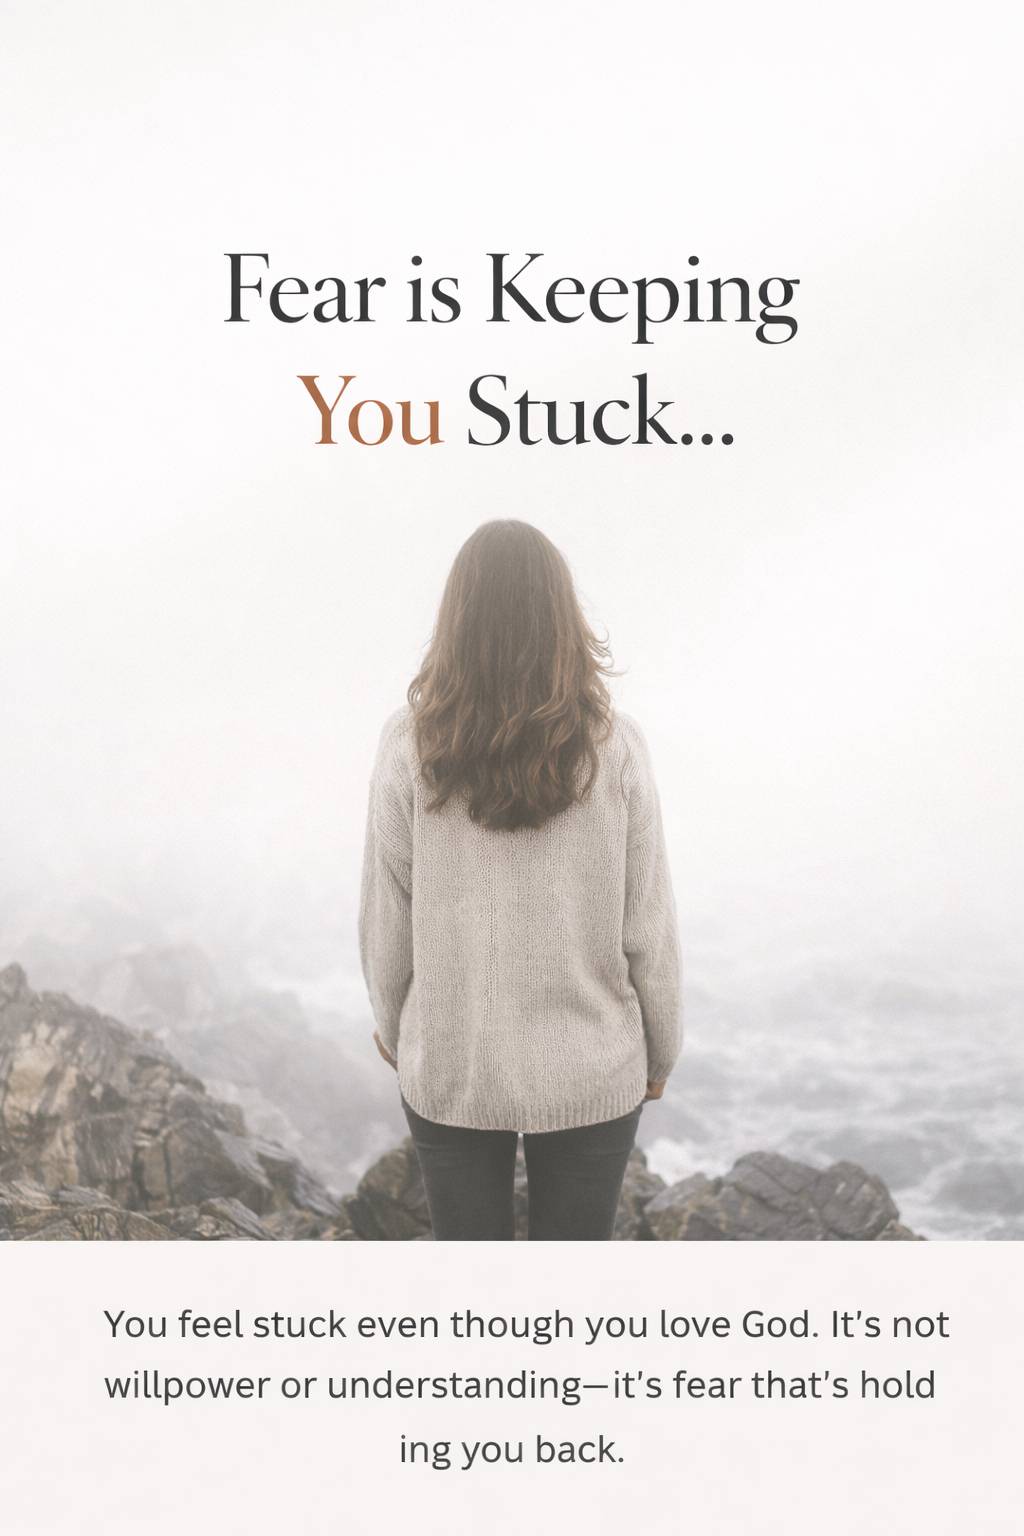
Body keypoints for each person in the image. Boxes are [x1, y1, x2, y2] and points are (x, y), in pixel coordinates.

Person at [358, 519, 681, 1239]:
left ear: (457, 620)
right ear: (562, 619)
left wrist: (393, 1026)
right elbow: (647, 922)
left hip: (452, 1063)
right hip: (593, 1069)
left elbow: (388, 911)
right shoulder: (616, 748)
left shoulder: (408, 744)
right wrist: (662, 1050)